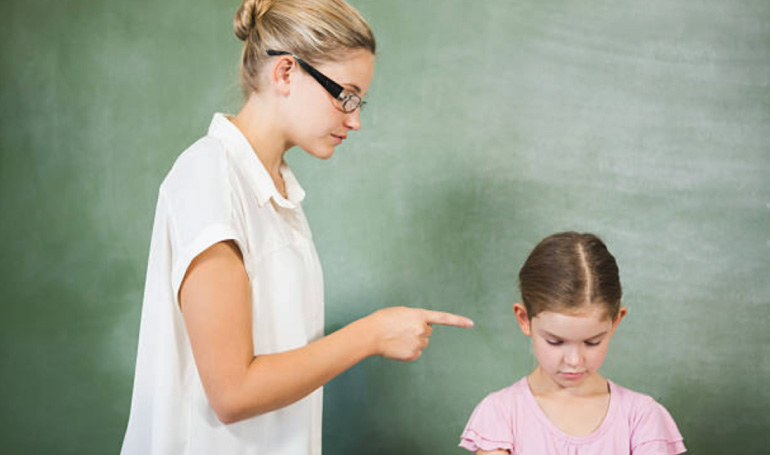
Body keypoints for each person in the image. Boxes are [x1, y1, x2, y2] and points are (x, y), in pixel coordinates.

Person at [120, 1, 473, 454]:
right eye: (345, 94)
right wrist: (371, 334)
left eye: (359, 100)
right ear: (286, 73)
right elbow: (232, 393)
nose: (355, 119)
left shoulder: (279, 192)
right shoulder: (209, 177)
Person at [459, 232, 685, 455]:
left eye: (592, 342)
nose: (575, 361)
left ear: (615, 322)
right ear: (524, 319)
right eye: (555, 342)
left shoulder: (642, 417)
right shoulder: (501, 414)